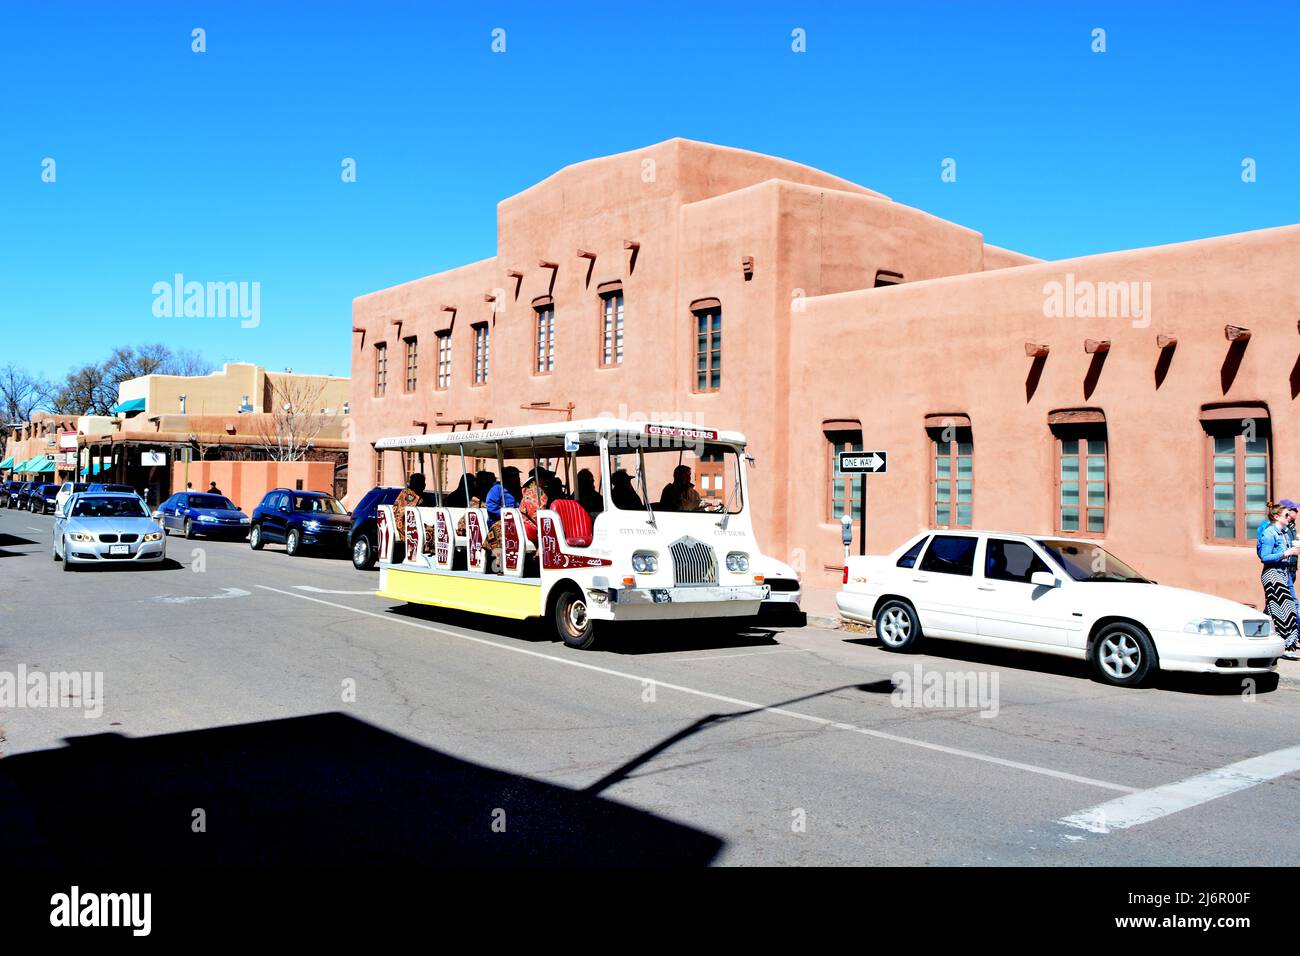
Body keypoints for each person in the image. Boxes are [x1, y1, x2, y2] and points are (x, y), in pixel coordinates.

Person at [1257, 502, 1299, 657]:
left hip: (1283, 572)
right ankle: (1285, 646)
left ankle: (1259, 638)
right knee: (1285, 609)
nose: (1289, 517)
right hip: (1272, 574)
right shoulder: (1269, 533)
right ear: (1276, 516)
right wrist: (1286, 554)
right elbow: (1265, 557)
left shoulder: (1282, 533)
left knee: (1272, 610)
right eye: (1286, 515)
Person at [391, 473, 426, 562]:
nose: (425, 485)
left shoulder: (410, 493)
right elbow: (407, 512)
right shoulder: (409, 495)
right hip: (404, 526)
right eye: (423, 483)